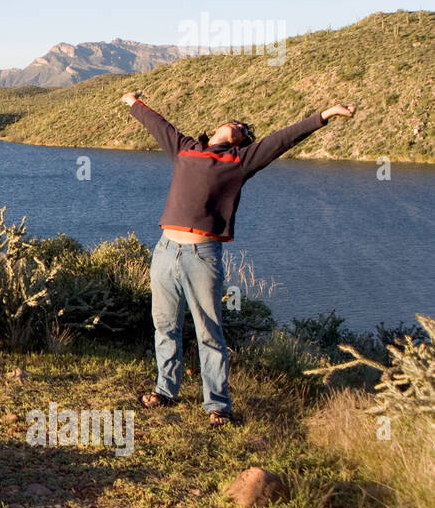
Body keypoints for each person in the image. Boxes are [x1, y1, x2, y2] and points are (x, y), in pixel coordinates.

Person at [121, 91, 356, 426]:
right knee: (165, 325)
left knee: (208, 332)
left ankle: (217, 405)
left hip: (201, 255)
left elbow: (283, 139)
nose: (240, 126)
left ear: (243, 143)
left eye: (245, 130)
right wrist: (133, 103)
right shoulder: (186, 147)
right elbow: (159, 125)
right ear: (215, 129)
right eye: (237, 123)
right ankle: (165, 389)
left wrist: (327, 114)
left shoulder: (240, 161)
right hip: (165, 250)